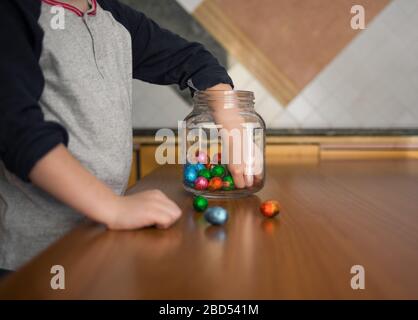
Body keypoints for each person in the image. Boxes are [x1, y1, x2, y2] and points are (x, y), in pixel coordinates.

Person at [0, 0, 256, 272]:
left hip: (105, 239)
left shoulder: (113, 16)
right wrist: (112, 207)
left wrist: (232, 122)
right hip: (33, 259)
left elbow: (192, 60)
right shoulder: (13, 12)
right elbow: (18, 132)